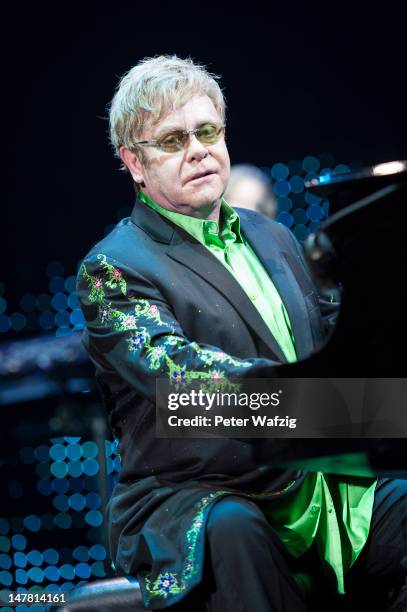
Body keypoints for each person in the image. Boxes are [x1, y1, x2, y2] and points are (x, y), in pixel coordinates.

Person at [77, 55, 407, 611]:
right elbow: (177, 383)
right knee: (235, 529)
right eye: (173, 140)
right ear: (134, 162)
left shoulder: (272, 235)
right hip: (198, 492)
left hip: (311, 481)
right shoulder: (114, 267)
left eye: (207, 131)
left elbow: (333, 342)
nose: (198, 149)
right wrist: (315, 410)